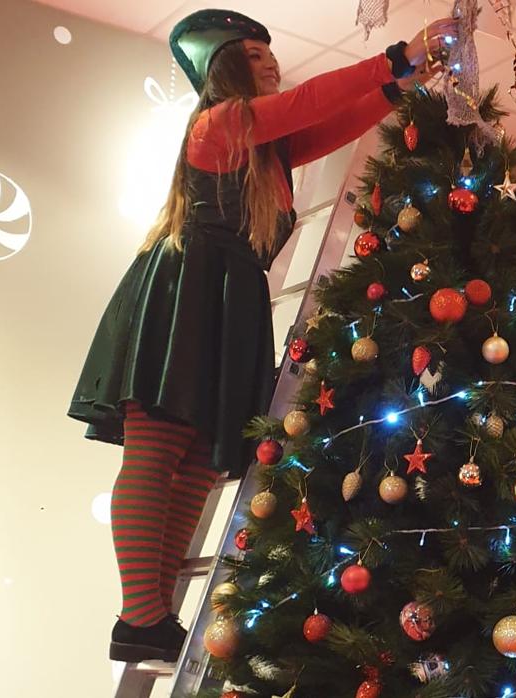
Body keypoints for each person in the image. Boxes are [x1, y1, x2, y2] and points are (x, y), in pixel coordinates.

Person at [67, 9, 457, 663]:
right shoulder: (221, 124)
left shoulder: (268, 147)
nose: (270, 61)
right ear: (224, 66)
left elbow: (329, 122)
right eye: (253, 54)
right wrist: (395, 57)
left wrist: (398, 88)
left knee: (200, 459)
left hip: (230, 303)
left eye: (269, 52)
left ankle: (149, 613)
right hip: (188, 297)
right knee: (158, 448)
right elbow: (310, 101)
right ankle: (141, 613)